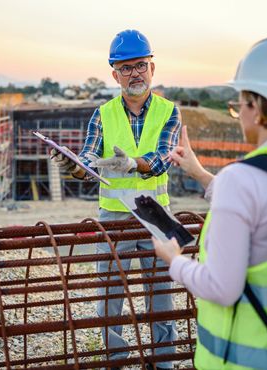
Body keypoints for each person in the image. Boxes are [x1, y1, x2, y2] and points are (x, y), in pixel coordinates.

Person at [152, 34, 267, 370]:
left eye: (239, 104)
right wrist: (201, 174)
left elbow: (221, 288)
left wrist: (174, 260)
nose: (238, 114)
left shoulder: (242, 179)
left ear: (258, 108)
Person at [51, 29, 181, 370]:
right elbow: (88, 163)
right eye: (125, 68)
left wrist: (133, 163)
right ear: (114, 74)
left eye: (140, 65)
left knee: (161, 295)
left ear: (153, 67)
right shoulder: (102, 114)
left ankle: (163, 363)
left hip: (156, 218)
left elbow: (162, 159)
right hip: (114, 218)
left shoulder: (170, 111)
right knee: (109, 298)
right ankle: (116, 361)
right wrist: (72, 166)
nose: (134, 73)